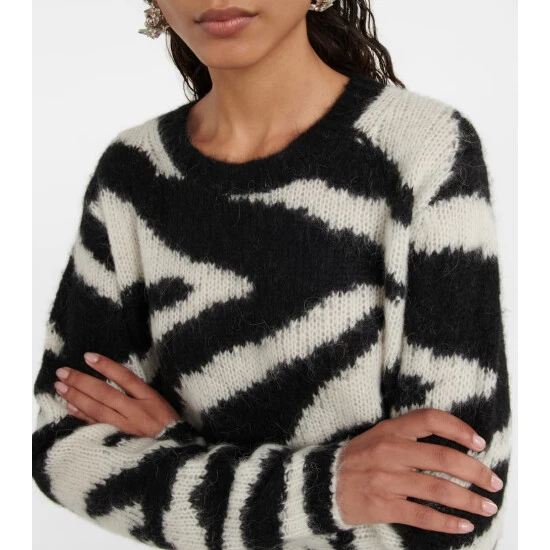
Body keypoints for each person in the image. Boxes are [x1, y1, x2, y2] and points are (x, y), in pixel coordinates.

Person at [32, 1, 512, 549]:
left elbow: (451, 513)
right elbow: (64, 449)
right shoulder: (133, 176)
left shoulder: (423, 150)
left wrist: (175, 457)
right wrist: (332, 488)